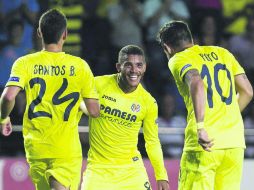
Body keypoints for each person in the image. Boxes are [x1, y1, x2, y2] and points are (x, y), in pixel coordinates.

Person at [0, 9, 100, 190]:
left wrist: (3, 118)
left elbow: (8, 96)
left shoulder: (24, 63)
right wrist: (80, 104)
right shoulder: (79, 66)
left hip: (36, 148)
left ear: (39, 33)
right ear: (66, 35)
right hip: (65, 149)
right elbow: (94, 111)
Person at [157, 21, 253, 190]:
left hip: (204, 144)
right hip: (234, 144)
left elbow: (196, 81)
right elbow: (247, 91)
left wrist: (201, 126)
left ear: (167, 47)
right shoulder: (223, 53)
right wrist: (225, 115)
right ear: (191, 38)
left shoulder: (178, 59)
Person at [80, 45, 169, 190]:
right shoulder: (97, 84)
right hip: (99, 170)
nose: (134, 70)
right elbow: (75, 103)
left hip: (131, 171)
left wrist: (161, 175)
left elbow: (152, 141)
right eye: (128, 65)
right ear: (118, 67)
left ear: (144, 67)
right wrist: (85, 108)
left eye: (139, 65)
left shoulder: (148, 102)